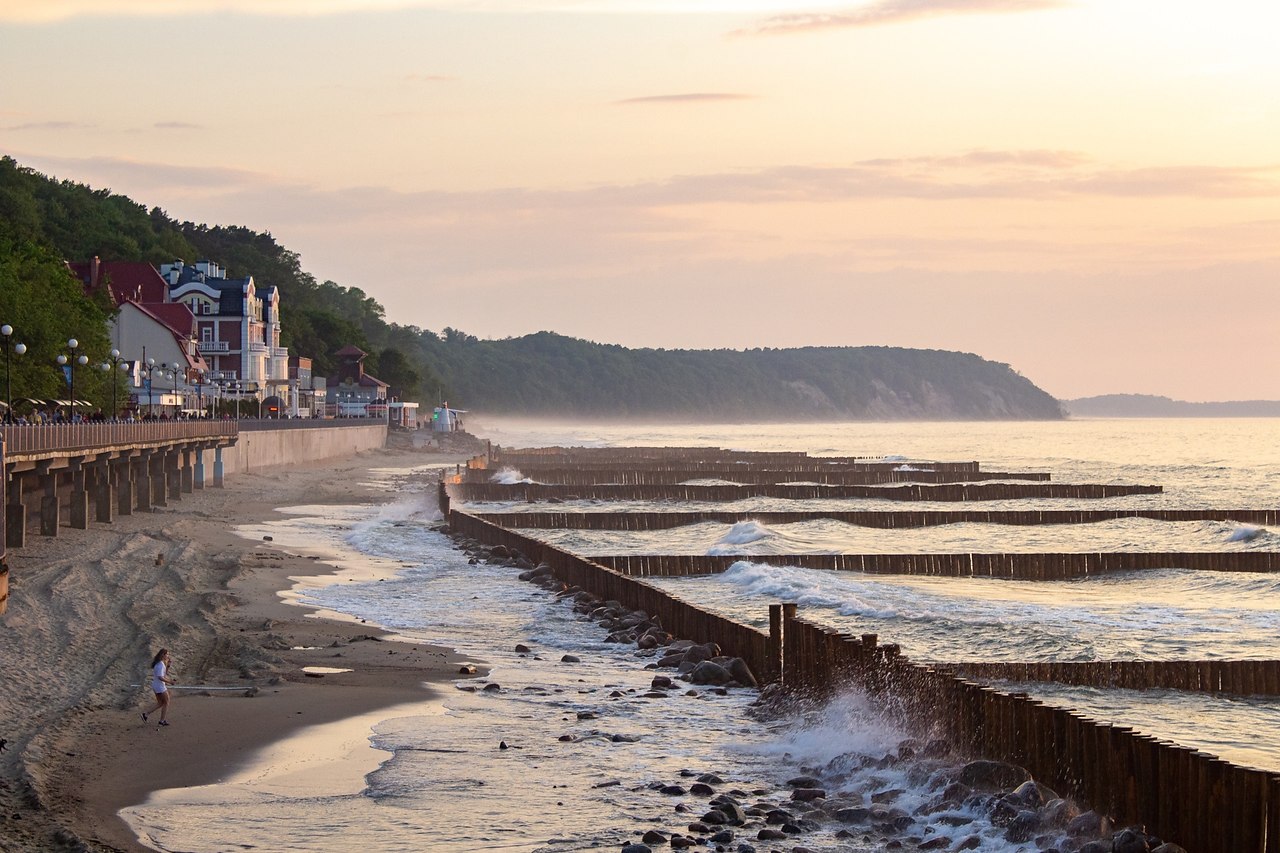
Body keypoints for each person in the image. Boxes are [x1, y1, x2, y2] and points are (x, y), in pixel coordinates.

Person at [142, 648, 176, 726]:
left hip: (157, 685)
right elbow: (161, 677)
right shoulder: (160, 664)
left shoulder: (160, 664)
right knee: (166, 702)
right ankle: (162, 721)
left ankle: (146, 714)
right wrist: (170, 682)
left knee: (161, 703)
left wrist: (168, 666)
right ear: (163, 655)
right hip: (160, 686)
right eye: (167, 654)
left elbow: (164, 674)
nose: (168, 656)